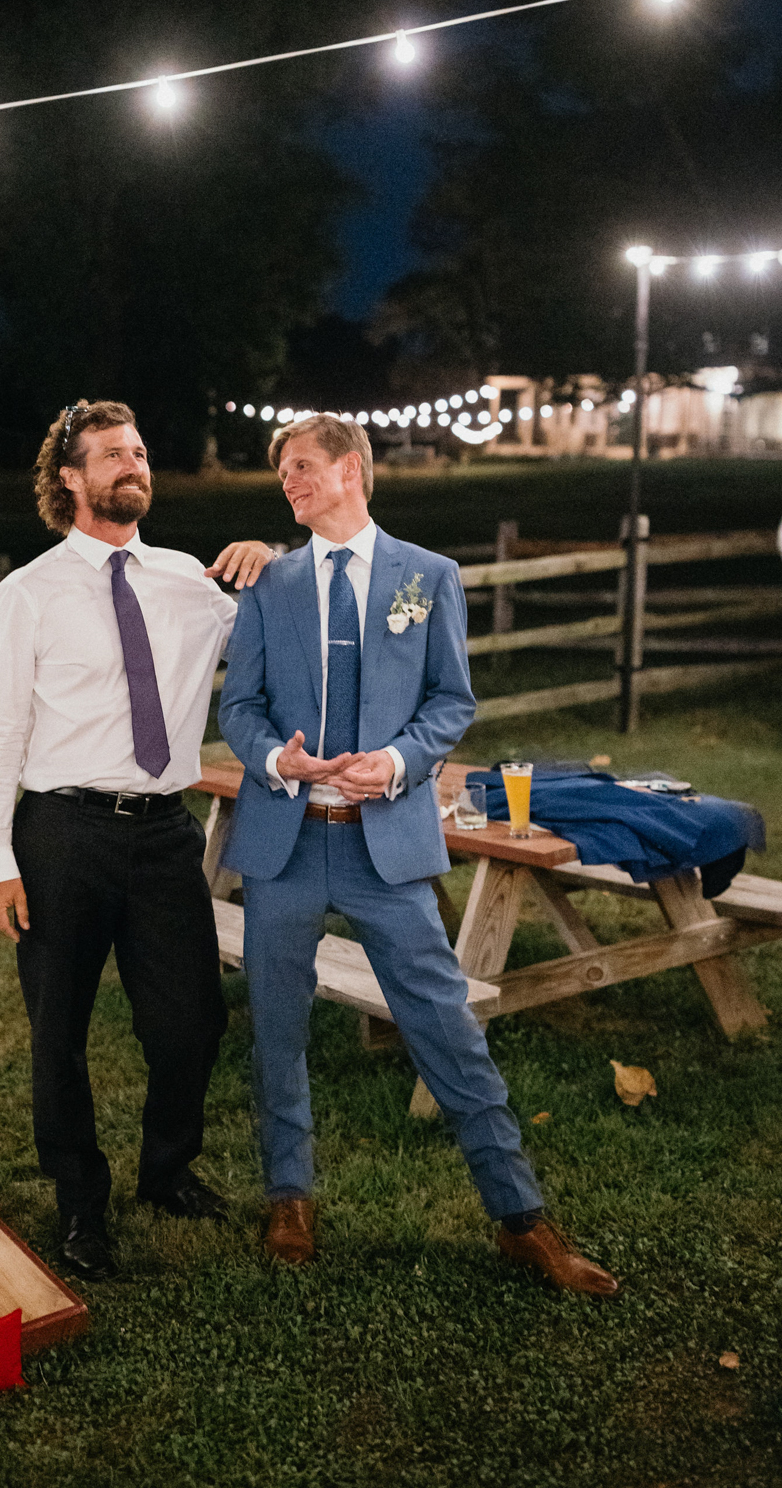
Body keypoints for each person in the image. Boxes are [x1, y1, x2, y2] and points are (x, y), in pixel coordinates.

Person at [217, 413, 619, 1296]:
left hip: (386, 849)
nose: (289, 482)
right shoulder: (270, 584)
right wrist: (276, 760)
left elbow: (450, 700)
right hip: (284, 847)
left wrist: (398, 763)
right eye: (282, 472)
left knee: (445, 1029)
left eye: (303, 467)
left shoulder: (428, 577)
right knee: (277, 1034)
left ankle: (521, 1219)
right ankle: (290, 1195)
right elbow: (237, 706)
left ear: (353, 469)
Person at [0, 399, 275, 1281]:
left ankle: (168, 1170)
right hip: (59, 836)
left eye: (139, 451)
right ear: (69, 478)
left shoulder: (187, 578)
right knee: (57, 1029)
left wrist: (273, 563)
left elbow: (268, 640)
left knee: (193, 1021)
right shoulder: (26, 593)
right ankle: (80, 1207)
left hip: (163, 838)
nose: (133, 465)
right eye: (112, 454)